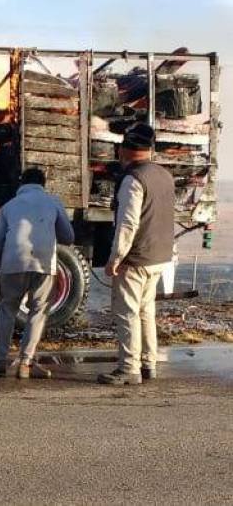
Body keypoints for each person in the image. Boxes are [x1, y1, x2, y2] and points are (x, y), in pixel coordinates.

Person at [98, 123, 175, 385]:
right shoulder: (165, 175)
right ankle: (148, 364)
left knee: (127, 312)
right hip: (159, 256)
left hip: (136, 257)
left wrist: (115, 258)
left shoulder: (132, 180)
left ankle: (128, 369)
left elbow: (128, 224)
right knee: (146, 311)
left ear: (124, 151)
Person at [0, 167, 75, 379]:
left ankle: (0, 360)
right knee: (38, 311)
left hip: (12, 261)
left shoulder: (8, 207)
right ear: (43, 184)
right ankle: (26, 362)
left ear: (21, 184)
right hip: (43, 262)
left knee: (8, 308)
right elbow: (68, 237)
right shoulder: (53, 202)